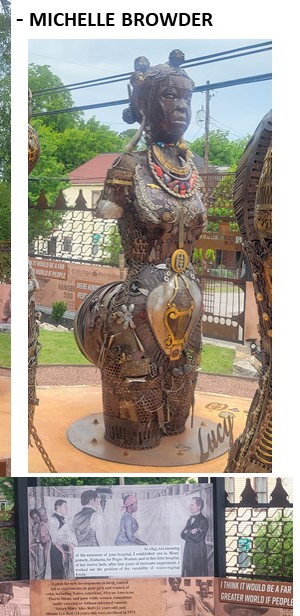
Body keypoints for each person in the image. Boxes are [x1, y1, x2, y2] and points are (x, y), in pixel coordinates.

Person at [74, 51, 206, 450]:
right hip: (136, 301)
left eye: (186, 98)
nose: (181, 106)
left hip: (189, 295)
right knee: (136, 407)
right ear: (146, 104)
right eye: (168, 96)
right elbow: (107, 212)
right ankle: (131, 428)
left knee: (182, 386)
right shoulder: (129, 167)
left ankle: (173, 419)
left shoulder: (195, 168)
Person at [180, 496, 210, 576]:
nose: (190, 506)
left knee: (197, 574)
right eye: (190, 504)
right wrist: (190, 532)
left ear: (199, 506)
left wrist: (187, 532)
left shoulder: (203, 521)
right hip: (188, 551)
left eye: (192, 505)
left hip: (198, 552)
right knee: (188, 574)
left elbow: (196, 538)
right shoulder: (189, 520)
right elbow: (182, 534)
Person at [50, 499, 74, 578]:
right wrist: (63, 552)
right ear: (58, 507)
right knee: (58, 576)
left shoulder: (64, 520)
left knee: (65, 575)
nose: (67, 509)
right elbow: (55, 540)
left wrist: (70, 549)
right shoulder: (53, 520)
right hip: (57, 552)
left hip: (63, 552)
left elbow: (66, 536)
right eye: (65, 506)